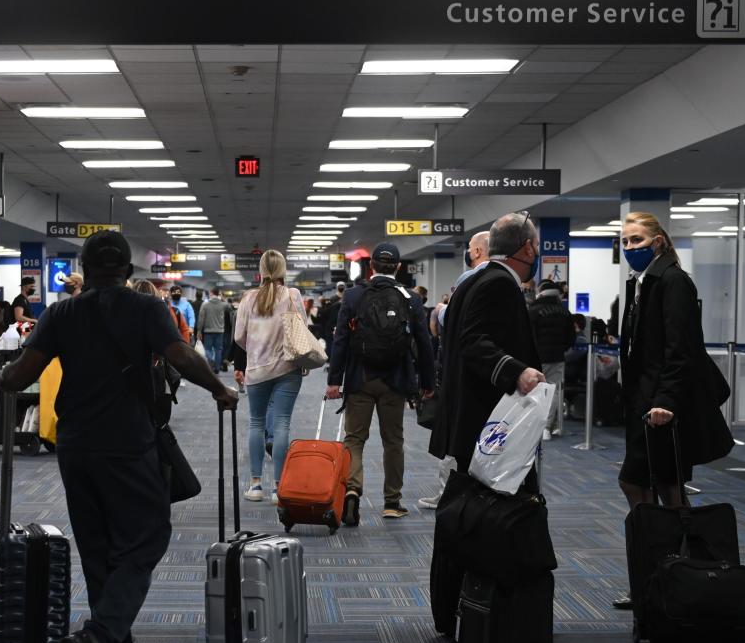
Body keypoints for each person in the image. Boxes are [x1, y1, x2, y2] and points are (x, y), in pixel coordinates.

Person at [1, 230, 237, 643]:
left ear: (85, 270)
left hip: (76, 445)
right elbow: (180, 355)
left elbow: (20, 375)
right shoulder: (145, 308)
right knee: (145, 540)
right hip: (128, 443)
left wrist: (4, 376)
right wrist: (218, 387)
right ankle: (98, 638)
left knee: (98, 548)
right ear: (128, 272)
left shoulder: (61, 312)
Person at [612, 211, 734, 610]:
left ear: (658, 242)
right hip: (644, 404)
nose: (630, 248)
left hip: (662, 407)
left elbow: (680, 349)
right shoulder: (643, 283)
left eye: (637, 240)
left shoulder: (674, 282)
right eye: (625, 242)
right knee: (663, 486)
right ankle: (667, 577)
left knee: (649, 486)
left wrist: (665, 400)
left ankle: (673, 574)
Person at [429, 213, 545, 478]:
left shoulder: (472, 281)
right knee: (497, 504)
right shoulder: (500, 283)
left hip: (466, 415)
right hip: (488, 417)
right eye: (536, 246)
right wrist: (517, 371)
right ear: (527, 247)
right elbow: (473, 341)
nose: (536, 252)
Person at [327, 242, 436, 521]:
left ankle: (352, 492)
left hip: (359, 379)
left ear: (371, 266)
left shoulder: (352, 297)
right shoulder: (410, 298)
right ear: (398, 267)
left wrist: (334, 381)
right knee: (393, 441)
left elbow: (340, 340)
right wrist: (427, 382)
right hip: (396, 380)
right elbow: (424, 344)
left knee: (354, 439)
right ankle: (392, 502)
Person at [232, 249, 307, 503]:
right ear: (283, 269)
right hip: (288, 369)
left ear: (261, 270)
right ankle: (278, 488)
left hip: (257, 370)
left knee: (256, 423)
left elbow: (238, 337)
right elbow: (302, 332)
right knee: (282, 424)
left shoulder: (248, 299)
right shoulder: (292, 295)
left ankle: (255, 486)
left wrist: (255, 350)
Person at [529, 279, 576, 440]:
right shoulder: (564, 312)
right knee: (553, 392)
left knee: (534, 392)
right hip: (557, 358)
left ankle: (536, 426)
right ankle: (547, 427)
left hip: (536, 359)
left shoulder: (533, 310)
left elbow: (528, 336)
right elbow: (571, 337)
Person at [196, 285, 231, 372]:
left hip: (208, 331)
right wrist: (222, 298)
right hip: (220, 331)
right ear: (218, 294)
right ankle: (217, 368)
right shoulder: (223, 304)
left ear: (211, 293)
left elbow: (201, 318)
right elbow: (230, 308)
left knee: (208, 349)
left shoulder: (205, 304)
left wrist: (199, 330)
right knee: (218, 350)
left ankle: (210, 363)